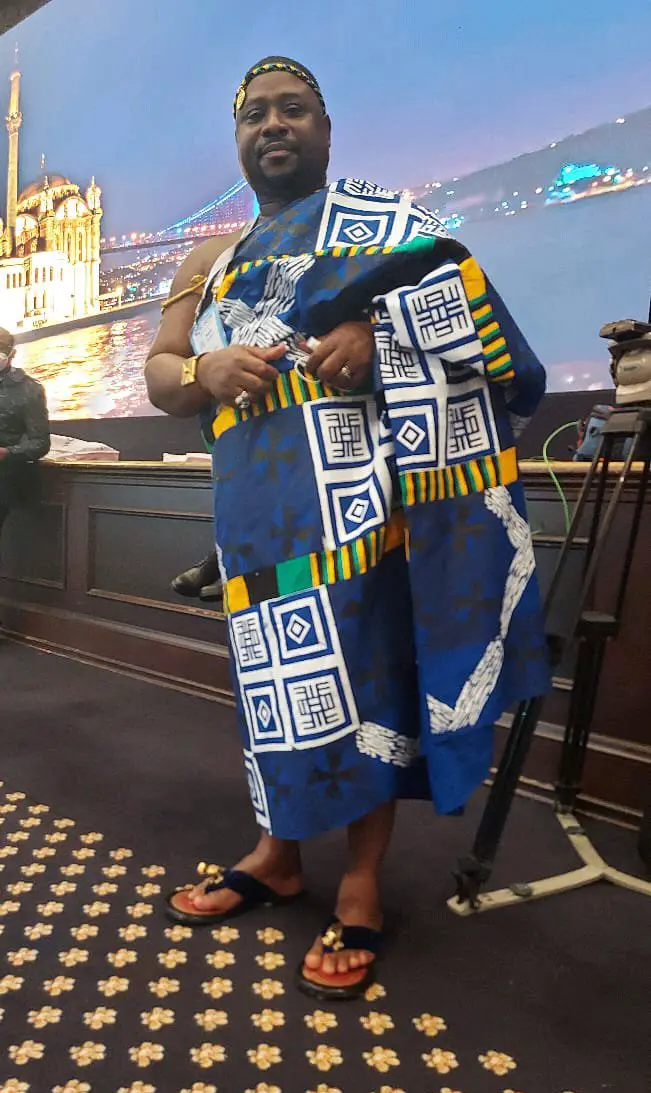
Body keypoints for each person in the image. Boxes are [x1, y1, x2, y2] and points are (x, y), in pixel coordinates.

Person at [145, 57, 550, 999]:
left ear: (325, 131)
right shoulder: (206, 261)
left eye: (293, 110)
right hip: (253, 512)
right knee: (271, 686)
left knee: (367, 683)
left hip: (359, 509)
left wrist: (380, 335)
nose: (272, 125)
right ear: (237, 138)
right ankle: (277, 855)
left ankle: (361, 885)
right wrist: (202, 374)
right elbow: (161, 374)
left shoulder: (386, 227)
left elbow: (476, 324)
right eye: (255, 114)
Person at [0, 327, 50, 548]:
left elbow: (40, 442)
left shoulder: (29, 389)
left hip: (6, 481)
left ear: (11, 353)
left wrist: (7, 452)